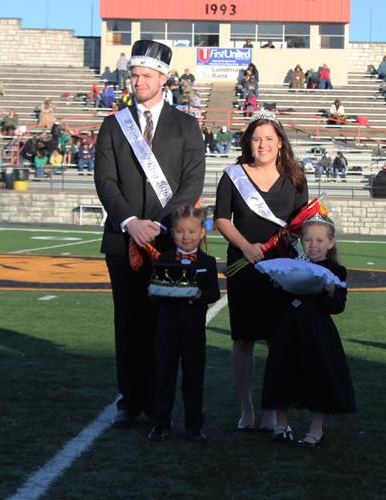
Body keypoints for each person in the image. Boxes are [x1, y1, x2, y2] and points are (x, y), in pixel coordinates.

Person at [94, 39, 205, 429]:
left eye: (144, 75)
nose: (137, 81)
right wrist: (130, 221)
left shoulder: (187, 125)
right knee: (128, 323)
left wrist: (159, 223)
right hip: (122, 239)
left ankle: (161, 405)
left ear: (163, 78)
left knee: (165, 325)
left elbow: (192, 182)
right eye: (133, 75)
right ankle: (131, 400)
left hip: (170, 241)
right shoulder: (113, 124)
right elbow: (105, 181)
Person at [214, 109, 308, 432]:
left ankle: (273, 410)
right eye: (256, 138)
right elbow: (221, 219)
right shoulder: (232, 175)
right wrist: (246, 246)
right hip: (243, 267)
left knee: (278, 341)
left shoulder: (295, 177)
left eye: (269, 138)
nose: (262, 144)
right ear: (248, 142)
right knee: (243, 339)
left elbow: (301, 223)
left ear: (280, 143)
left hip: (282, 270)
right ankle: (247, 408)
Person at [262, 213, 355, 446]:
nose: (313, 245)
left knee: (318, 376)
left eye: (320, 240)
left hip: (317, 332)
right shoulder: (291, 264)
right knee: (282, 374)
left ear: (331, 243)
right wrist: (276, 284)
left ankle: (316, 429)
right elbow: (275, 301)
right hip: (287, 329)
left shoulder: (337, 271)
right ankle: (281, 426)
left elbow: (337, 307)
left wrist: (331, 291)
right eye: (308, 240)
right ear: (301, 241)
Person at [147, 205, 220, 443]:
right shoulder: (163, 259)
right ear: (172, 233)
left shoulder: (207, 262)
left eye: (191, 231)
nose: (185, 236)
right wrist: (160, 290)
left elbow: (214, 294)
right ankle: (160, 424)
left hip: (193, 330)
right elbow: (153, 293)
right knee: (163, 376)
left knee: (193, 376)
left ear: (202, 233)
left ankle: (194, 425)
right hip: (166, 329)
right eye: (179, 231)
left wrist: (198, 294)